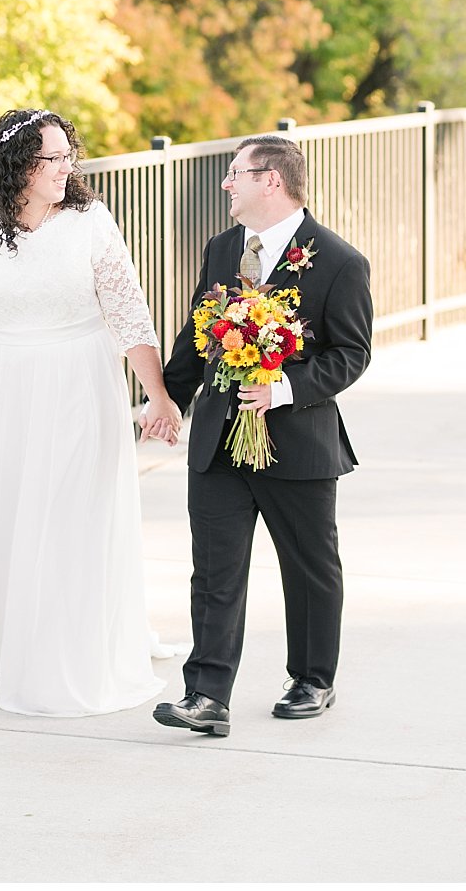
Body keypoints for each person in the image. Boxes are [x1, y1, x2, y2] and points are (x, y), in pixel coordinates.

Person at [0, 108, 182, 717]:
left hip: (79, 383)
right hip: (3, 386)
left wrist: (159, 396)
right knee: (15, 513)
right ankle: (19, 640)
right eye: (51, 159)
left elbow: (126, 311)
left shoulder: (90, 221)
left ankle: (71, 648)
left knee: (71, 512)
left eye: (69, 156)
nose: (66, 168)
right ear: (18, 166)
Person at [153, 133, 373, 738]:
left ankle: (312, 678)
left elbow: (352, 353)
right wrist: (167, 397)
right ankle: (206, 696)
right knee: (214, 570)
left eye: (235, 174)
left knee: (308, 567)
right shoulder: (223, 248)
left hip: (298, 443)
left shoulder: (338, 260)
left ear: (270, 180)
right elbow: (199, 334)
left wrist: (285, 388)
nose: (226, 183)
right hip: (221, 440)